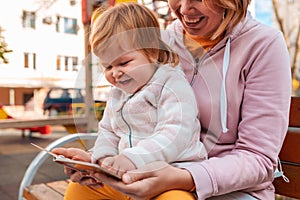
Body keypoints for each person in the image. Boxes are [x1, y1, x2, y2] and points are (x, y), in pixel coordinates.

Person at [53, 0, 292, 199]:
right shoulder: (160, 40)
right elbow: (124, 124)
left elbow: (258, 159)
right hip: (147, 172)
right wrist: (100, 162)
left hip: (230, 190)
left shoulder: (263, 45)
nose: (185, 8)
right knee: (80, 190)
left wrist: (185, 177)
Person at [53, 2, 206, 199]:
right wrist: (100, 161)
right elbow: (109, 132)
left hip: (170, 178)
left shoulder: (172, 85)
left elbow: (176, 132)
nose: (115, 73)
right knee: (78, 190)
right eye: (107, 67)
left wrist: (132, 159)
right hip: (127, 177)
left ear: (152, 52)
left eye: (124, 63)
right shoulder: (117, 94)